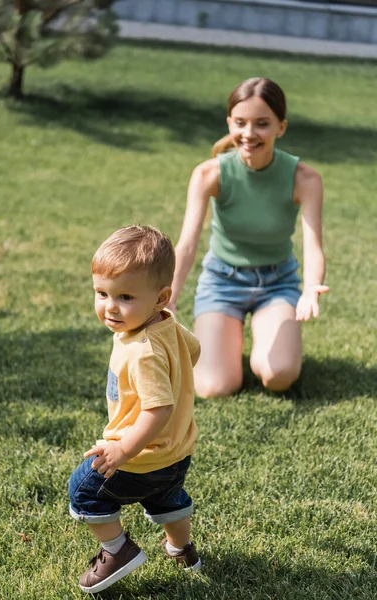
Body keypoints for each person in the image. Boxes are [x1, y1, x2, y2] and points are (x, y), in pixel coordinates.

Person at [169, 77, 328, 398]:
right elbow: (186, 244)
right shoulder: (208, 174)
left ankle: (265, 343)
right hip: (221, 283)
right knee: (214, 388)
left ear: (281, 127)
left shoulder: (305, 178)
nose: (249, 133)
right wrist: (169, 297)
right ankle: (228, 341)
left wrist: (310, 289)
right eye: (240, 123)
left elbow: (313, 246)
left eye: (262, 124)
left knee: (278, 375)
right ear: (229, 123)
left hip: (277, 283)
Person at [69, 225, 201, 594]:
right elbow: (193, 350)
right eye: (101, 293)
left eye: (125, 296)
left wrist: (123, 448)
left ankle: (118, 550)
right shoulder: (167, 324)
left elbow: (157, 410)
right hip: (177, 451)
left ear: (161, 297)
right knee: (168, 498)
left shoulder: (141, 349)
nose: (110, 306)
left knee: (83, 489)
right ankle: (182, 550)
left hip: (139, 457)